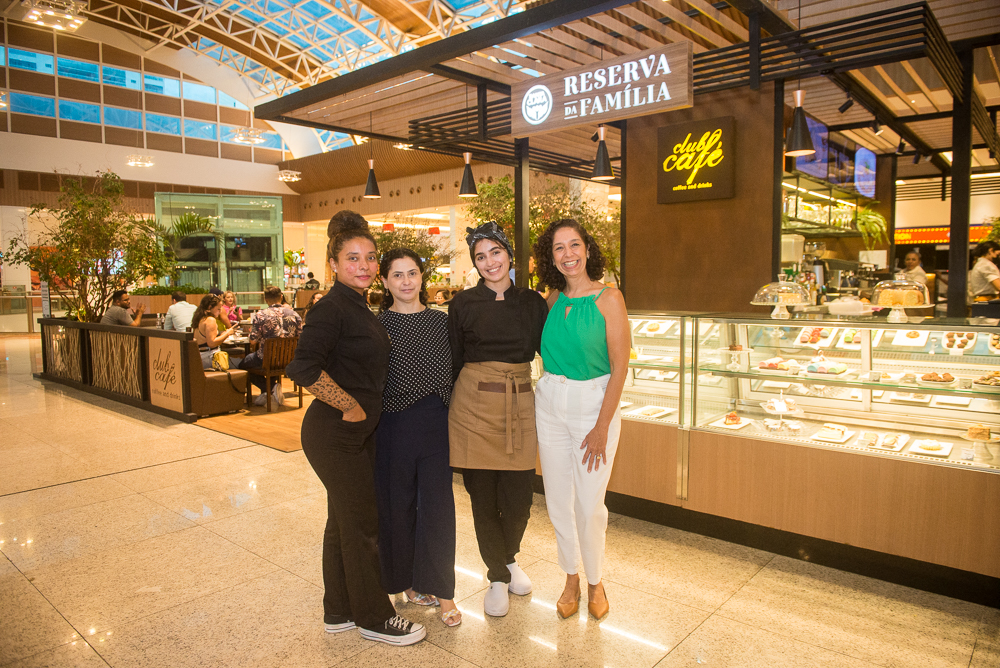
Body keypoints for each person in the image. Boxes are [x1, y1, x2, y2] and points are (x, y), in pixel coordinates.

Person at [286, 210, 425, 647]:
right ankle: (374, 617)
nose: (363, 266)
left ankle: (339, 609)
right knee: (364, 524)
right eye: (352, 258)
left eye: (369, 257)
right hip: (335, 434)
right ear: (333, 264)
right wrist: (348, 404)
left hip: (354, 435)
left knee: (342, 522)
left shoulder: (356, 304)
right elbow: (302, 368)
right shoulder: (331, 308)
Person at [448, 221, 548, 618]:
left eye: (495, 252)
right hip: (473, 406)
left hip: (519, 403)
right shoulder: (463, 303)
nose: (490, 262)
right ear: (475, 263)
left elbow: (547, 352)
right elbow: (455, 358)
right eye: (480, 256)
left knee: (520, 499)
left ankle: (508, 558)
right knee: (483, 497)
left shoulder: (533, 303)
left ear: (509, 254)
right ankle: (496, 576)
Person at [532, 219, 629, 622]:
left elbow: (620, 367)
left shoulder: (609, 298)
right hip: (550, 403)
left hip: (593, 407)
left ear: (587, 249)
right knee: (558, 500)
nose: (568, 254)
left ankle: (595, 580)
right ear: (551, 256)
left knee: (589, 504)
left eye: (574, 245)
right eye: (559, 247)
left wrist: (602, 426)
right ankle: (570, 577)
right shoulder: (552, 299)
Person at [375, 248, 460, 628]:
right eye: (397, 275)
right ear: (384, 281)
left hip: (437, 425)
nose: (406, 281)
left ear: (422, 277)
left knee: (439, 509)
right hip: (392, 426)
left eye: (412, 273)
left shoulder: (442, 322)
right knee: (396, 507)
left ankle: (443, 592)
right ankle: (401, 584)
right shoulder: (378, 326)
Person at [237, 285, 302, 407]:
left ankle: (270, 388)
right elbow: (301, 337)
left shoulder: (261, 315)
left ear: (265, 299)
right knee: (272, 363)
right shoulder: (294, 314)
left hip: (266, 358)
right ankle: (270, 391)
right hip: (289, 359)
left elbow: (253, 341)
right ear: (281, 297)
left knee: (243, 365)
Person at [191, 294, 237, 369]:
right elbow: (212, 343)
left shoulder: (200, 318)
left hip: (201, 357)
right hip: (209, 358)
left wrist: (223, 334)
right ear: (210, 308)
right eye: (218, 309)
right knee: (241, 363)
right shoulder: (210, 320)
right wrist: (228, 333)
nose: (220, 311)